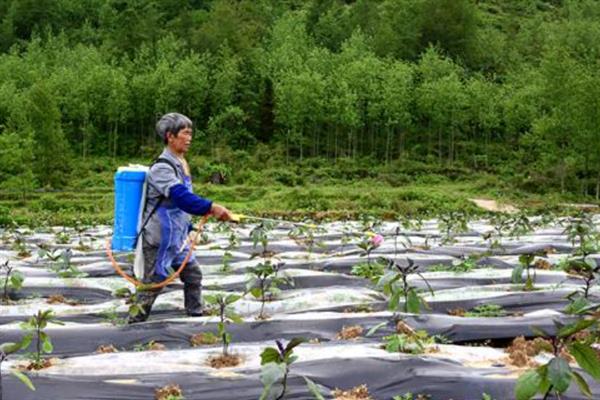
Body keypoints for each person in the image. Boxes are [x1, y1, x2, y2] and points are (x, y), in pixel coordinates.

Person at [129, 112, 232, 323]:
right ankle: (133, 328)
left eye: (190, 133)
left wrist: (190, 227)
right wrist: (211, 207)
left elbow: (181, 207)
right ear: (170, 136)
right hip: (159, 239)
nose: (189, 138)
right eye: (185, 133)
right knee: (153, 284)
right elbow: (182, 198)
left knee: (193, 275)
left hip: (177, 238)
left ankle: (195, 318)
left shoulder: (181, 163)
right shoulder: (161, 168)